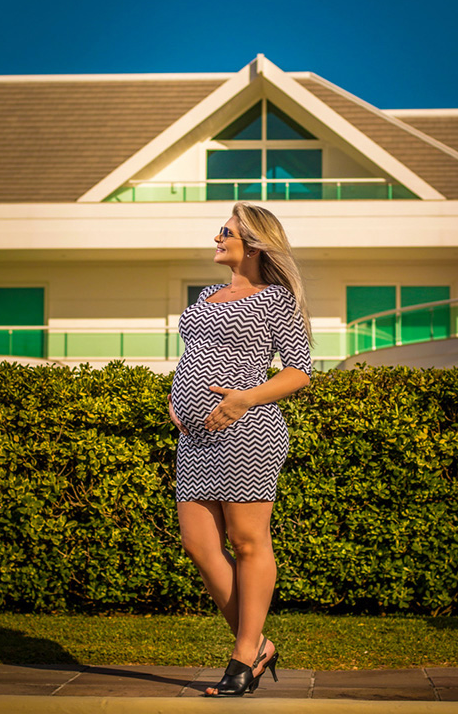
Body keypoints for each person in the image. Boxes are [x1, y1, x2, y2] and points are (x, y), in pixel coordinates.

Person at [166, 201, 314, 697]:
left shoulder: (276, 300)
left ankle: (243, 654)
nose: (217, 238)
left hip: (247, 431)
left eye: (225, 232)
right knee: (199, 544)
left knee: (248, 542)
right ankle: (259, 645)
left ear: (253, 243)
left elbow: (298, 372)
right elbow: (194, 355)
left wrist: (246, 398)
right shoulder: (207, 294)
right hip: (196, 437)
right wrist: (176, 397)